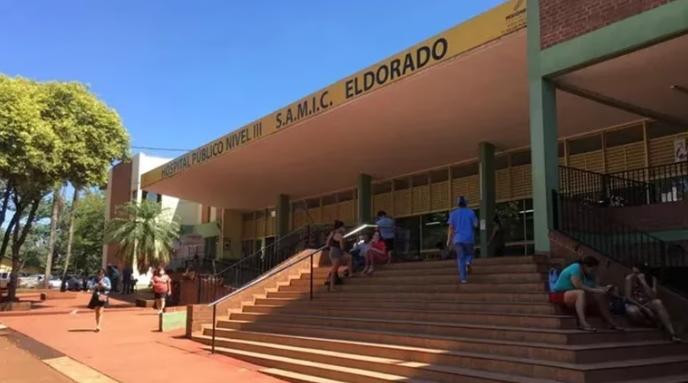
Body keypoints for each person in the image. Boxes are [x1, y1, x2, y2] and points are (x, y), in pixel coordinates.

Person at [550, 255, 623, 332]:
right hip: (560, 294)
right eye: (592, 269)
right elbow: (578, 285)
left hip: (573, 295)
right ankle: (582, 323)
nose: (593, 271)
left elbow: (595, 286)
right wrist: (596, 290)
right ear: (585, 266)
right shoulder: (576, 267)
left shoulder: (590, 274)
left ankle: (611, 322)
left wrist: (606, 289)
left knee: (600, 296)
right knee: (580, 293)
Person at [624, 264, 681, 342]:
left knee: (658, 302)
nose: (635, 274)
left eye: (638, 272)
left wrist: (644, 283)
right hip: (635, 304)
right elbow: (628, 297)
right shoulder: (629, 278)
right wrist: (644, 309)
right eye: (634, 272)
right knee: (632, 312)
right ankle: (651, 323)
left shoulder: (652, 279)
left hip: (647, 303)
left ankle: (672, 334)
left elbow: (653, 296)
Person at [446, 196, 478, 284]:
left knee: (460, 258)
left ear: (458, 204)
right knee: (470, 253)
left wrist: (448, 240)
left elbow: (451, 228)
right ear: (466, 203)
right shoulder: (471, 212)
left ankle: (463, 279)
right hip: (468, 238)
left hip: (457, 240)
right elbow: (475, 224)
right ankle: (468, 262)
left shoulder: (453, 214)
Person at [325, 220, 352, 291]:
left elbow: (327, 243)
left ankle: (350, 273)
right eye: (343, 227)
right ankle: (331, 286)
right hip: (337, 253)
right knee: (334, 270)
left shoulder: (332, 233)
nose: (344, 229)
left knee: (348, 258)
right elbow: (342, 247)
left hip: (332, 252)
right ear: (340, 227)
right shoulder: (340, 235)